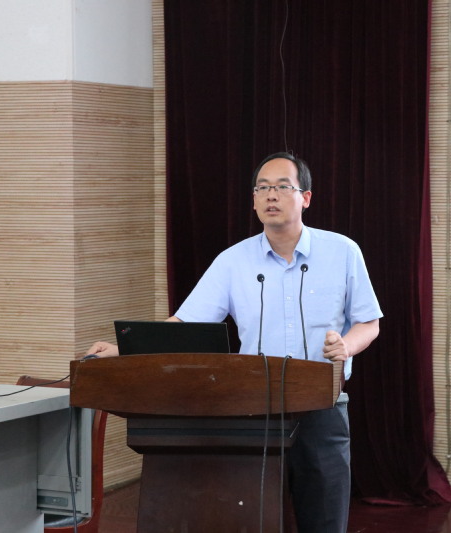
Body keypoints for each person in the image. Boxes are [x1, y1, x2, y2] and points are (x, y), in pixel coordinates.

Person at [86, 151, 382, 532]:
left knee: (324, 521)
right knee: (255, 518)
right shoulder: (233, 261)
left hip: (322, 408)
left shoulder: (342, 251)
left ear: (306, 197)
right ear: (254, 200)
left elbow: (369, 323)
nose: (271, 195)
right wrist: (122, 351)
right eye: (262, 188)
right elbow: (183, 326)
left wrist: (347, 346)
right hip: (253, 409)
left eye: (282, 187)